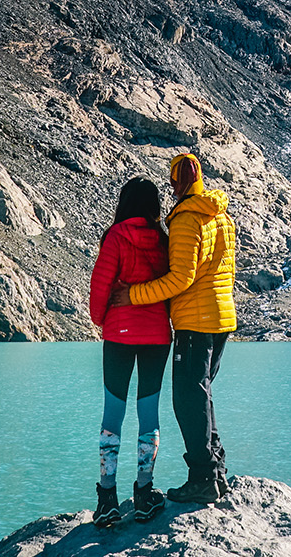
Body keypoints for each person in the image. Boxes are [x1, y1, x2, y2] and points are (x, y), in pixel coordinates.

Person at [108, 152, 237, 505]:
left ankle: (202, 479)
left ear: (178, 182)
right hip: (222, 319)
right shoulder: (221, 215)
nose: (171, 188)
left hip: (195, 323)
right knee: (203, 394)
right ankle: (217, 471)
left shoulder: (184, 219)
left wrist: (132, 295)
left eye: (172, 181)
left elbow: (181, 278)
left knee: (187, 399)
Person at [87, 177, 173, 527]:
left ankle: (108, 498)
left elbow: (100, 283)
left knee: (113, 412)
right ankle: (145, 494)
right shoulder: (165, 240)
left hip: (119, 334)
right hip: (156, 336)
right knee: (148, 413)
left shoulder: (116, 236)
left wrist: (100, 319)